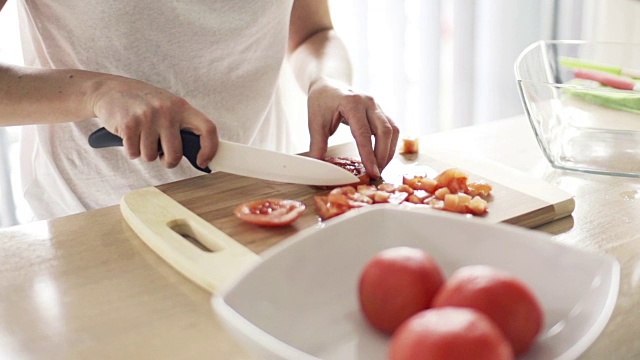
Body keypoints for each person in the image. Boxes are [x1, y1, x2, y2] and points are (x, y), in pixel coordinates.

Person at [0, 0, 399, 220]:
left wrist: (326, 80)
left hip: (257, 200)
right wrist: (95, 92)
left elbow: (314, 32)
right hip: (93, 216)